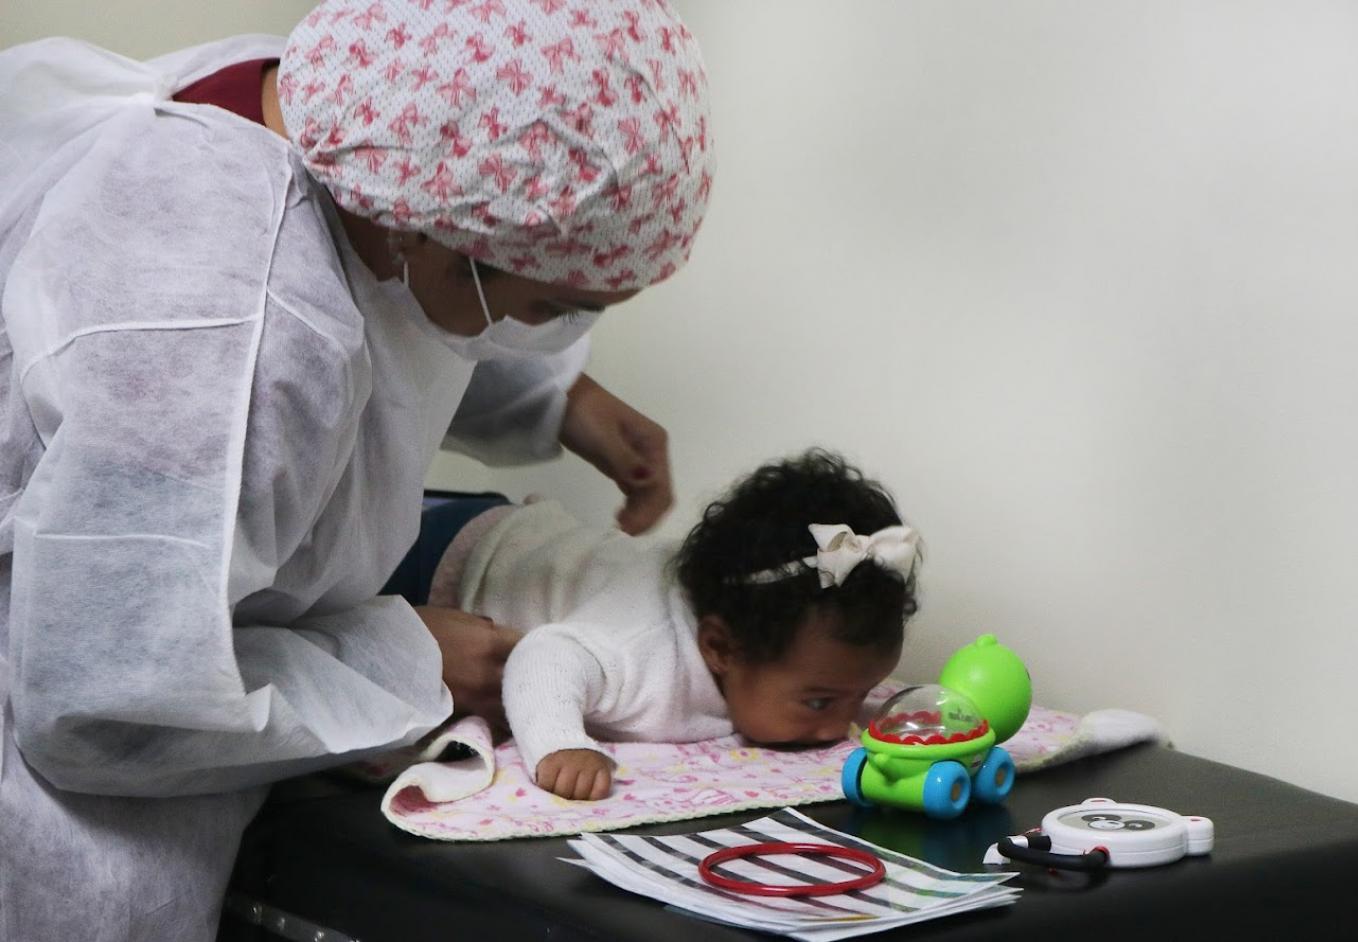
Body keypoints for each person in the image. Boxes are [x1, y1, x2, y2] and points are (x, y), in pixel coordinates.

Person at [0, 1, 713, 938]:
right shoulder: (223, 344)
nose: (559, 330)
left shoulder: (340, 110)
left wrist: (558, 398)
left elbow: (387, 297)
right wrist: (402, 658)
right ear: (432, 238)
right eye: (553, 309)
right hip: (57, 828)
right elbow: (106, 705)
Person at [433, 450, 920, 801]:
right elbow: (541, 656)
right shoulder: (643, 651)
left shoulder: (773, 645)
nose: (839, 728)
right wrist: (560, 744)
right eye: (819, 701)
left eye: (861, 693)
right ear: (720, 648)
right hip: (453, 558)